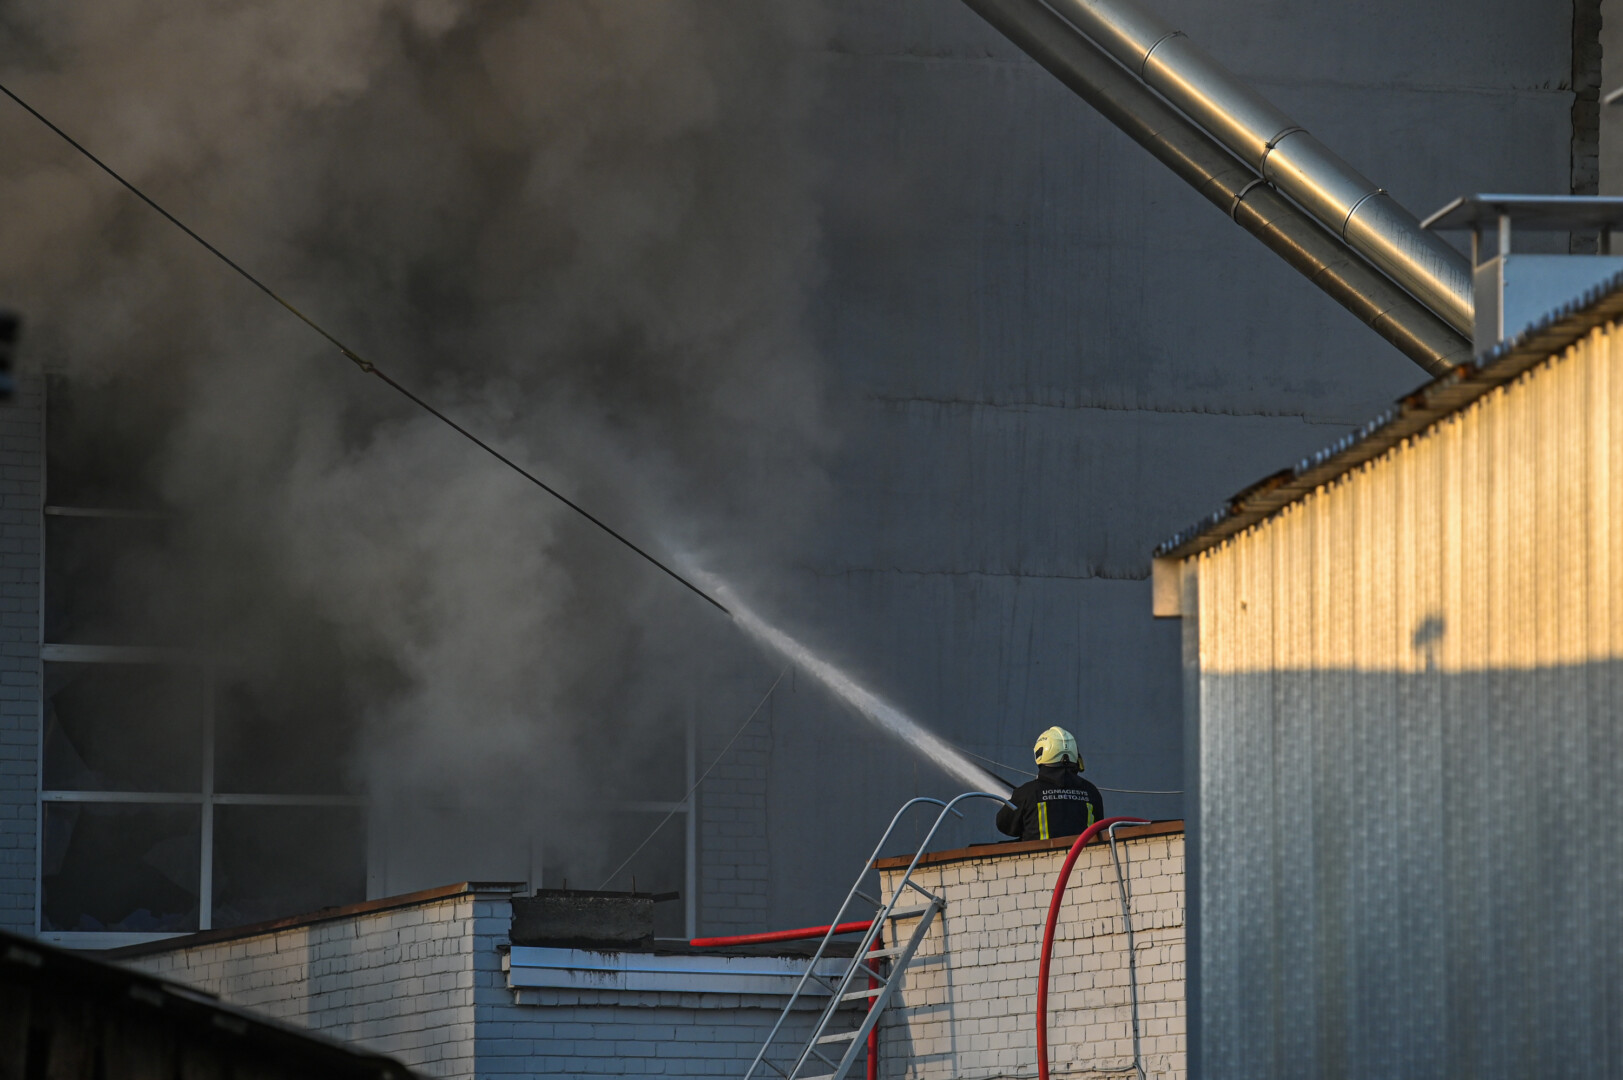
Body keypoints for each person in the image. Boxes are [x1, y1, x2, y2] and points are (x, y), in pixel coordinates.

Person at [995, 726, 1104, 841]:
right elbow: (1099, 828)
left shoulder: (1027, 793)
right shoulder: (1091, 792)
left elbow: (1004, 825)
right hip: (1084, 853)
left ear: (1040, 753)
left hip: (1038, 853)